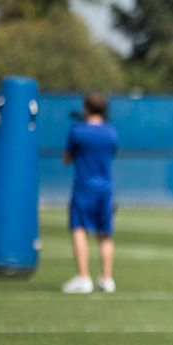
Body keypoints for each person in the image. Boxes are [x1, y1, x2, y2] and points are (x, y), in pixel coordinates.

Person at [61, 92, 119, 294]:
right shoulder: (111, 132)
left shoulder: (77, 131)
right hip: (105, 189)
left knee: (79, 230)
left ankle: (83, 278)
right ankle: (106, 278)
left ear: (86, 108)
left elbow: (67, 158)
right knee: (105, 235)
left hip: (83, 189)